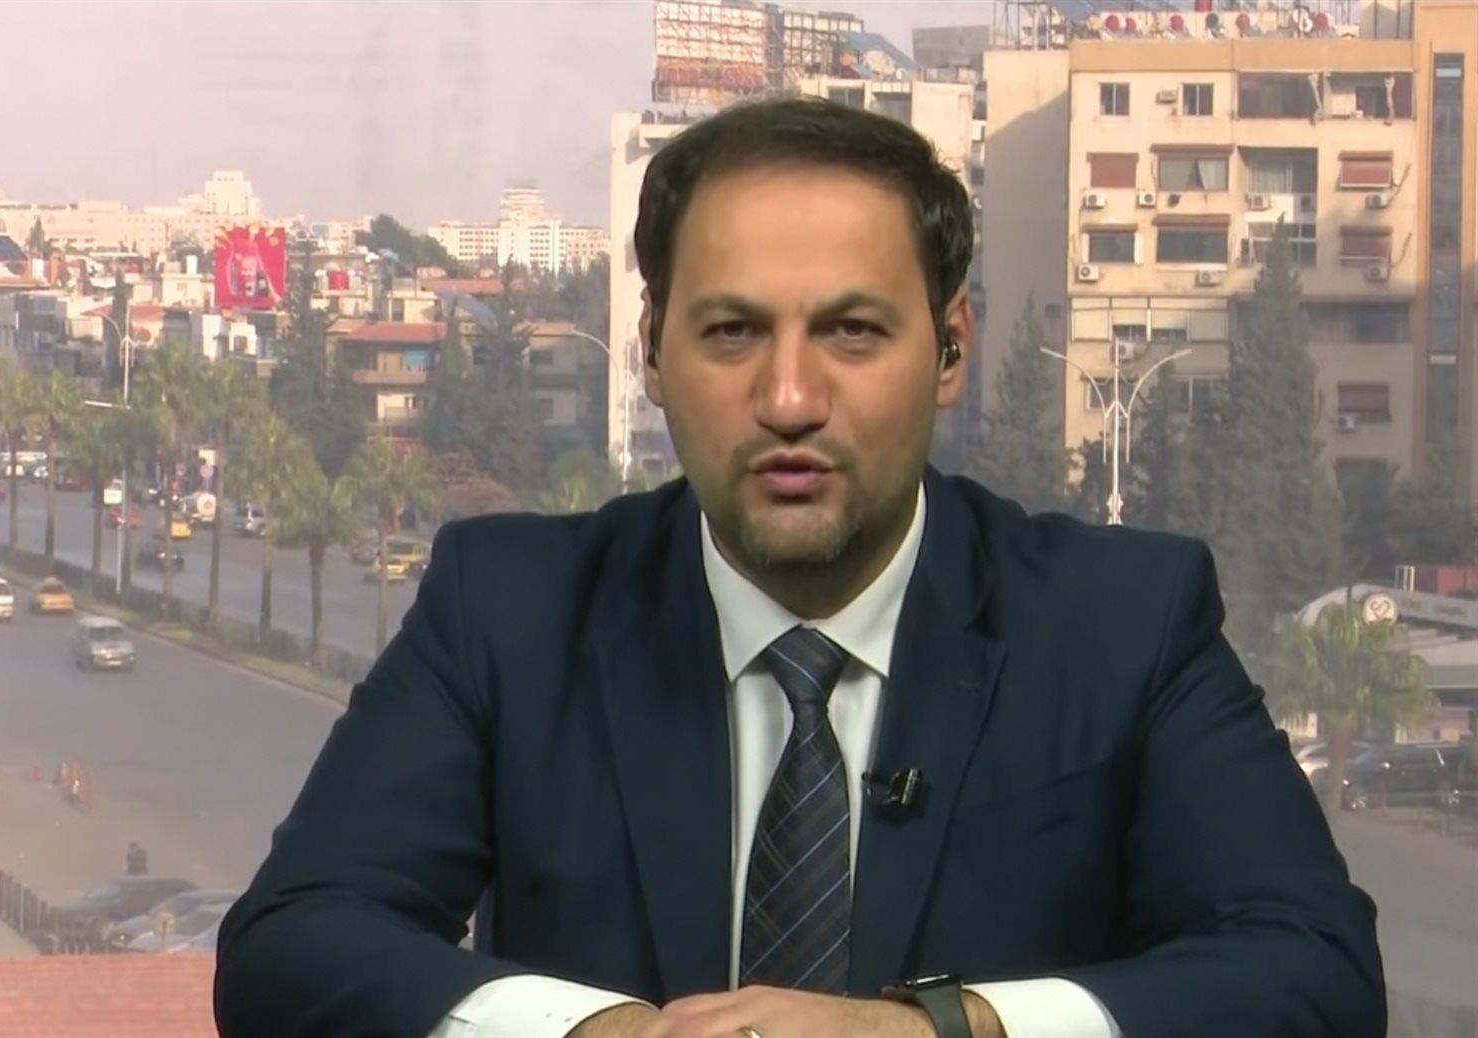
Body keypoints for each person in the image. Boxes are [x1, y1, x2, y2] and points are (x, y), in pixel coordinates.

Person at [214, 97, 1384, 1038]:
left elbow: (1313, 973)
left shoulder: (1122, 623)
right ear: (652, 351)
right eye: (730, 332)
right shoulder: (507, 609)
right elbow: (291, 946)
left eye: (851, 331)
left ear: (951, 351)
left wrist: (945, 1030)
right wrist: (594, 1032)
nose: (787, 399)